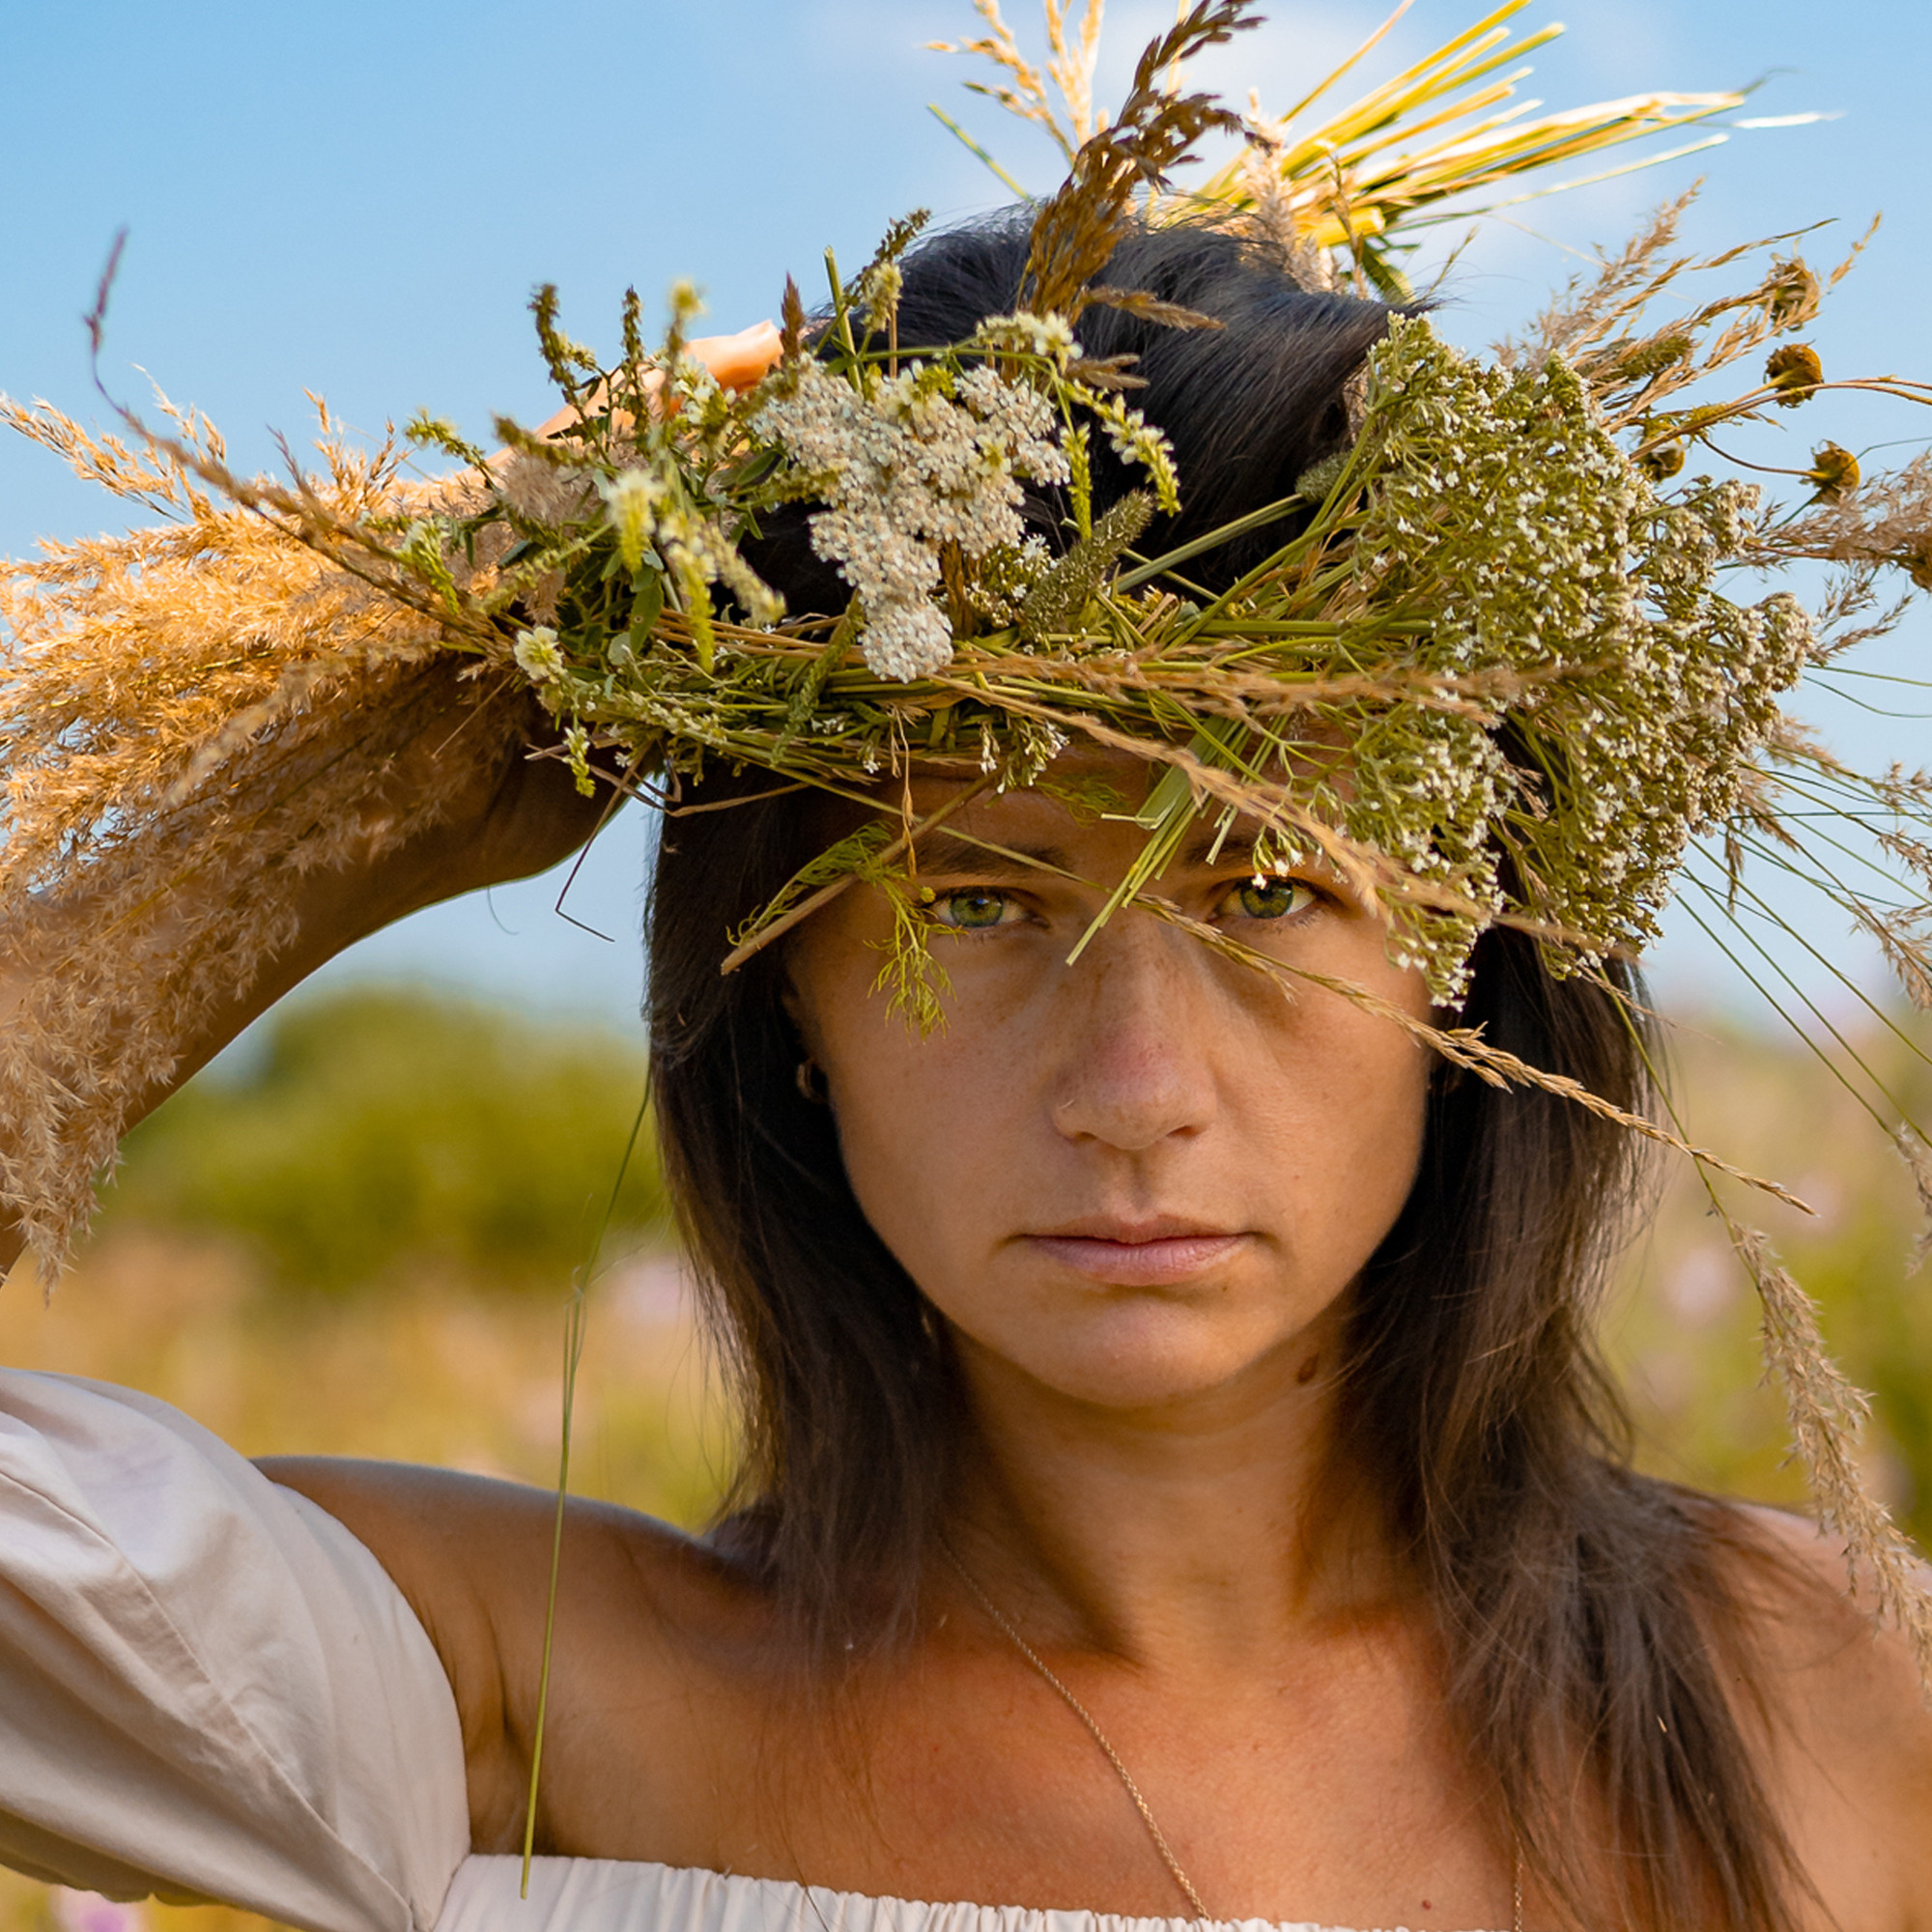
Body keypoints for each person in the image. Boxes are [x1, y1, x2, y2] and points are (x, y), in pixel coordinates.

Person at [3, 213, 1931, 1932]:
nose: (1134, 1085)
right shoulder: (534, 1688)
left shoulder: (1837, 1694)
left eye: (1265, 884)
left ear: (1468, 972)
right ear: (784, 1004)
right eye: (981, 905)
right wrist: (364, 785)